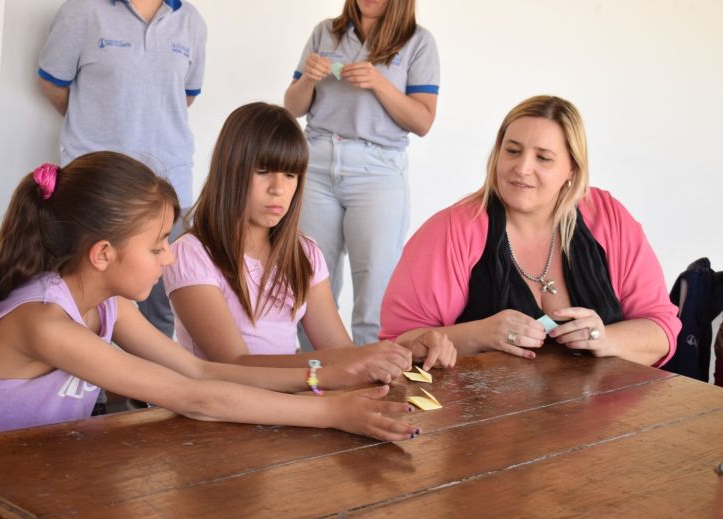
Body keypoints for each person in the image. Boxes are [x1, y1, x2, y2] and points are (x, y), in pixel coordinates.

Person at [0, 152, 421, 442]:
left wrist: (327, 376)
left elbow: (197, 370)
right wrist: (332, 411)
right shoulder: (45, 322)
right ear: (103, 254)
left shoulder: (108, 304)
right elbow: (194, 396)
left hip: (24, 472)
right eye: (156, 247)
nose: (169, 258)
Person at [380, 95, 681, 367]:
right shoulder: (450, 230)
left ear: (572, 169)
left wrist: (606, 339)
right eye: (512, 151)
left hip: (604, 419)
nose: (522, 168)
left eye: (543, 158)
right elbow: (398, 344)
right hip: (484, 424)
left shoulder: (609, 217)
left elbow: (661, 331)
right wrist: (478, 334)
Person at [164, 102, 455, 371]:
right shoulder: (191, 255)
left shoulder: (304, 253)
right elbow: (237, 366)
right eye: (263, 171)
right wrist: (346, 363)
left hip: (292, 403)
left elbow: (339, 349)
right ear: (230, 171)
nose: (278, 188)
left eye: (291, 175)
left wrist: (404, 350)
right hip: (221, 412)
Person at [37, 0, 206, 338]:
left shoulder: (192, 22)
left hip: (169, 184)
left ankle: (152, 391)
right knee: (84, 299)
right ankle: (88, 389)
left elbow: (185, 95)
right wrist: (96, 127)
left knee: (161, 304)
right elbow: (52, 84)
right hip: (98, 187)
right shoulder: (82, 11)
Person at [284, 0, 439, 345]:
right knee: (309, 286)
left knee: (375, 292)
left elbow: (423, 121)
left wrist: (379, 83)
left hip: (378, 172)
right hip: (318, 166)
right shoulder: (325, 32)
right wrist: (308, 79)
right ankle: (313, 383)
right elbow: (292, 107)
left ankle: (371, 386)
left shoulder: (418, 41)